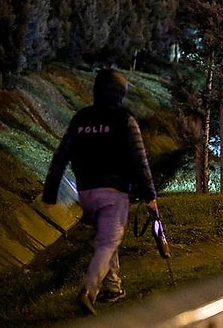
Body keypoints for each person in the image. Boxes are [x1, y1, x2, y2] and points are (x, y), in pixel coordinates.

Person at [41, 69, 158, 315]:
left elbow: (60, 157)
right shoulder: (125, 119)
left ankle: (113, 286)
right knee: (108, 242)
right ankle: (88, 291)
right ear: (120, 93)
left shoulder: (80, 119)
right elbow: (140, 160)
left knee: (107, 237)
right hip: (113, 193)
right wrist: (150, 196)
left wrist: (50, 193)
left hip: (86, 194)